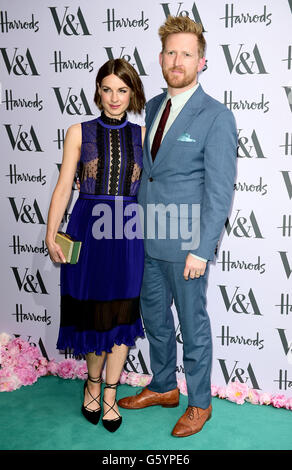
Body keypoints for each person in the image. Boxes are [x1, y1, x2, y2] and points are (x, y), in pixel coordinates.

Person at [118, 16, 237, 437]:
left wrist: (203, 248)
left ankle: (199, 403)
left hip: (188, 244)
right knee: (155, 320)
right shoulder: (152, 107)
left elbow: (220, 192)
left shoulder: (216, 116)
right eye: (171, 52)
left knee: (193, 323)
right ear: (161, 57)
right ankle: (164, 386)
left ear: (201, 61)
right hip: (147, 239)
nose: (177, 60)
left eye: (186, 53)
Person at [45, 58, 146, 432]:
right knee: (92, 312)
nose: (114, 97)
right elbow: (62, 188)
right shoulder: (78, 131)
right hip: (88, 228)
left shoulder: (143, 134)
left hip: (128, 231)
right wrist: (50, 231)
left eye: (122, 90)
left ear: (132, 93)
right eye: (107, 89)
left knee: (122, 313)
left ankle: (111, 394)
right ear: (98, 91)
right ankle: (92, 382)